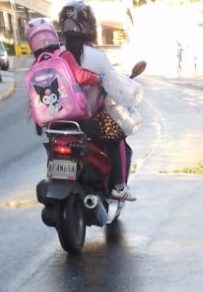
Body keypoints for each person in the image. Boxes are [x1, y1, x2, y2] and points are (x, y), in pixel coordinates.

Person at [58, 2, 139, 200]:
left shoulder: (56, 54)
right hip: (90, 122)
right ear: (89, 25)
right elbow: (113, 84)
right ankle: (119, 187)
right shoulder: (98, 57)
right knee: (117, 137)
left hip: (59, 120)